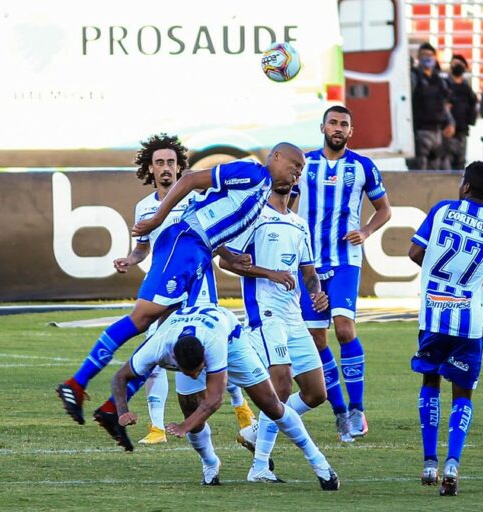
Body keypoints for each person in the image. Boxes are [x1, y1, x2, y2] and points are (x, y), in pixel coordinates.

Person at [56, 142, 304, 424]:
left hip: (199, 252)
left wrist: (231, 258)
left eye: (301, 170)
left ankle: (113, 406)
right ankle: (76, 384)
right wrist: (158, 218)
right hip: (185, 244)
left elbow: (216, 220)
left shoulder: (261, 192)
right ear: (277, 157)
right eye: (295, 165)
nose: (297, 173)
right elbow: (190, 180)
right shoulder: (252, 173)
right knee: (141, 320)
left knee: (169, 332)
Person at [84, 133, 256, 445]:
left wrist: (231, 255)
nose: (166, 168)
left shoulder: (194, 198)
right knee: (155, 356)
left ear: (179, 167)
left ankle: (241, 406)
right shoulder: (143, 208)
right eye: (160, 162)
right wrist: (130, 259)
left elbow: (212, 239)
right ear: (150, 168)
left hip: (199, 289)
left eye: (171, 162)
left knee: (216, 349)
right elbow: (142, 249)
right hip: (162, 291)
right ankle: (156, 427)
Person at [109, 304, 340, 490]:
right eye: (191, 372)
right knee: (191, 409)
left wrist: (183, 427)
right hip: (184, 329)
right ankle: (210, 464)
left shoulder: (212, 345)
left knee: (271, 405)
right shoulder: (156, 346)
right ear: (174, 361)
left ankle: (319, 462)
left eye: (200, 368)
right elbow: (119, 377)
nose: (197, 374)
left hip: (231, 340)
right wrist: (122, 411)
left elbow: (215, 399)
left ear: (204, 359)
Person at [407, 161, 483, 496]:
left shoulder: (442, 210)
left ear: (466, 187)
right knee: (463, 392)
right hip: (469, 321)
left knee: (430, 380)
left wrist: (436, 269)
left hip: (433, 315)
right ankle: (452, 464)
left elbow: (415, 251)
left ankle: (429, 462)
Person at [290, 106, 392, 442]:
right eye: (333, 122)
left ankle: (358, 409)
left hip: (346, 259)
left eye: (344, 124)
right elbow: (283, 205)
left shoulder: (363, 167)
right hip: (309, 264)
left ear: (351, 131)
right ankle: (339, 412)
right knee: (317, 340)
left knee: (345, 329)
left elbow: (384, 210)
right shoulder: (304, 164)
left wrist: (364, 231)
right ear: (322, 126)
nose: (338, 128)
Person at [219, 180, 328, 482]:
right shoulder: (254, 217)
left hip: (293, 316)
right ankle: (260, 467)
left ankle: (256, 430)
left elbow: (309, 273)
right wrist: (269, 274)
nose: (290, 177)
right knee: (280, 385)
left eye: (295, 173)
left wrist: (317, 292)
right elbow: (226, 260)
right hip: (264, 313)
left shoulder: (299, 224)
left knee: (317, 392)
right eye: (286, 169)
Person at [407, 42, 455, 170]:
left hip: (438, 132)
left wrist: (450, 122)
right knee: (419, 171)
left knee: (435, 172)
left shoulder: (439, 80)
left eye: (430, 55)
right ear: (418, 57)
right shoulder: (413, 77)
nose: (428, 58)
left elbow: (445, 104)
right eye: (424, 55)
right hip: (420, 131)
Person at [441, 54, 478, 171]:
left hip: (462, 132)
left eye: (460, 64)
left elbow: (473, 107)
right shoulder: (444, 85)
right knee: (445, 166)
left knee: (460, 167)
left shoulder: (467, 88)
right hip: (446, 133)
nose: (457, 66)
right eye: (455, 63)